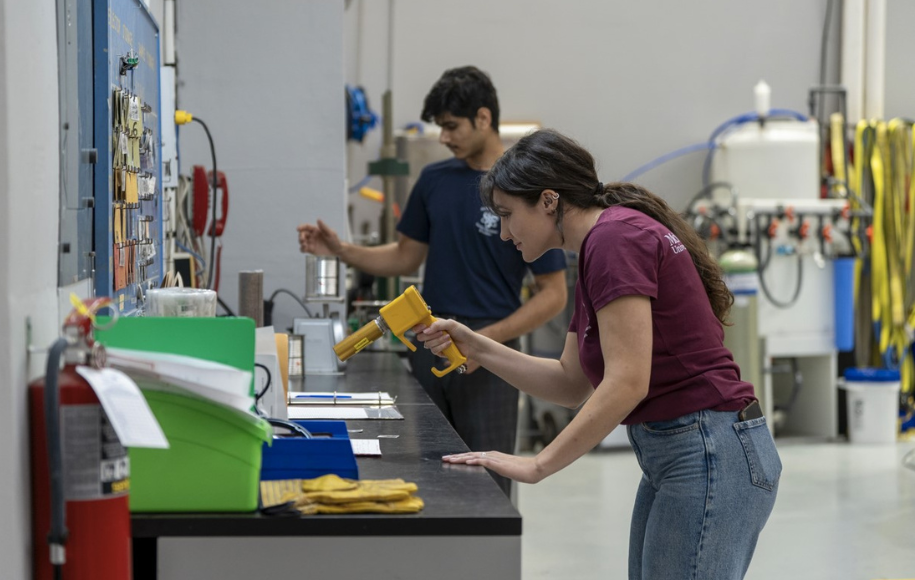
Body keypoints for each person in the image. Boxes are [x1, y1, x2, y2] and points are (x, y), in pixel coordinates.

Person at [417, 129, 780, 579]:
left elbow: (628, 381)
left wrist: (537, 464)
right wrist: (478, 346)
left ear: (549, 200)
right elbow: (571, 383)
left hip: (708, 449)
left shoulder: (614, 240)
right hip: (682, 451)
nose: (505, 233)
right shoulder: (599, 246)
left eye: (509, 215)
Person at [298, 66, 568, 497]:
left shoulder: (525, 189)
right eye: (439, 127)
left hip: (492, 355)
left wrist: (484, 342)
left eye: (451, 126)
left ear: (483, 118)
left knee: (489, 482)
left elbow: (554, 294)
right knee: (430, 473)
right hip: (431, 342)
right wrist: (341, 251)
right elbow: (406, 255)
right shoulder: (434, 181)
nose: (443, 137)